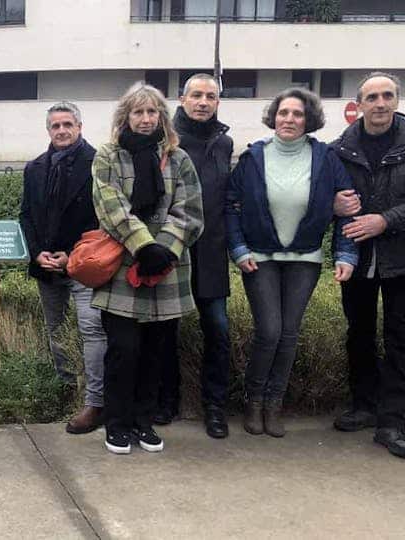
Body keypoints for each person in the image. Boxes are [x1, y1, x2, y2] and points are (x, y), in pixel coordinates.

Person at [330, 72, 405, 459]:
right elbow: (323, 194)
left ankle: (393, 421)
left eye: (387, 96)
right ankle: (364, 405)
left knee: (400, 339)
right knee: (359, 333)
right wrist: (332, 204)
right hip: (358, 258)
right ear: (358, 104)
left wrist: (387, 220)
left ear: (397, 101)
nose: (379, 103)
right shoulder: (339, 149)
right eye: (372, 97)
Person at [226, 87, 358, 438]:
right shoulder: (253, 157)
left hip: (305, 259)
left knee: (288, 333)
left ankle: (274, 404)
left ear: (308, 120)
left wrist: (345, 254)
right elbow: (231, 205)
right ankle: (253, 402)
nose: (289, 119)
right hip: (260, 257)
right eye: (284, 112)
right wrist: (238, 248)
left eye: (297, 114)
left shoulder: (326, 158)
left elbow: (348, 206)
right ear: (274, 116)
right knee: (269, 331)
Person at [91, 83, 203, 455]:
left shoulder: (178, 158)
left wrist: (165, 249)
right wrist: (143, 244)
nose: (145, 119)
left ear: (162, 117)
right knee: (123, 350)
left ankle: (144, 421)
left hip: (167, 267)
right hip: (124, 263)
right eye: (137, 112)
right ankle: (117, 423)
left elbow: (190, 210)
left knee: (157, 350)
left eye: (152, 112)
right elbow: (111, 206)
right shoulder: (108, 155)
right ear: (125, 117)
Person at [19, 101, 107, 434]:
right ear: (48, 130)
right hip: (47, 266)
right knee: (56, 331)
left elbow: (104, 218)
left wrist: (73, 255)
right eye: (55, 125)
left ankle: (95, 401)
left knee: (92, 330)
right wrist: (37, 253)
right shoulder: (35, 167)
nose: (62, 130)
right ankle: (66, 387)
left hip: (86, 264)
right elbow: (26, 216)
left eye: (67, 124)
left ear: (80, 127)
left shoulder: (98, 163)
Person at [162, 73, 234, 438]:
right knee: (164, 331)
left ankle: (214, 408)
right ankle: (165, 400)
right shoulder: (165, 140)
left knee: (217, 330)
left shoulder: (225, 143)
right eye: (196, 95)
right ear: (182, 98)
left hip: (211, 254)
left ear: (217, 102)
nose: (203, 102)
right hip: (173, 250)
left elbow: (227, 202)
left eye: (210, 96)